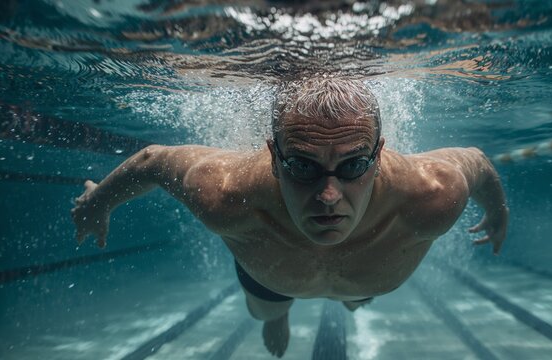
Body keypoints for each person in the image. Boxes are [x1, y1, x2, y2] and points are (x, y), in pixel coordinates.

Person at [71, 77, 508, 358]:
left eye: (354, 165)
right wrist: (98, 202)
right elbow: (153, 160)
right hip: (271, 280)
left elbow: (478, 163)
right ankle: (280, 314)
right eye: (302, 166)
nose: (328, 195)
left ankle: (351, 297)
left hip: (363, 278)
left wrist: (497, 211)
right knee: (265, 312)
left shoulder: (433, 192)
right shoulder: (224, 192)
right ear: (274, 158)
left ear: (379, 154)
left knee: (356, 298)